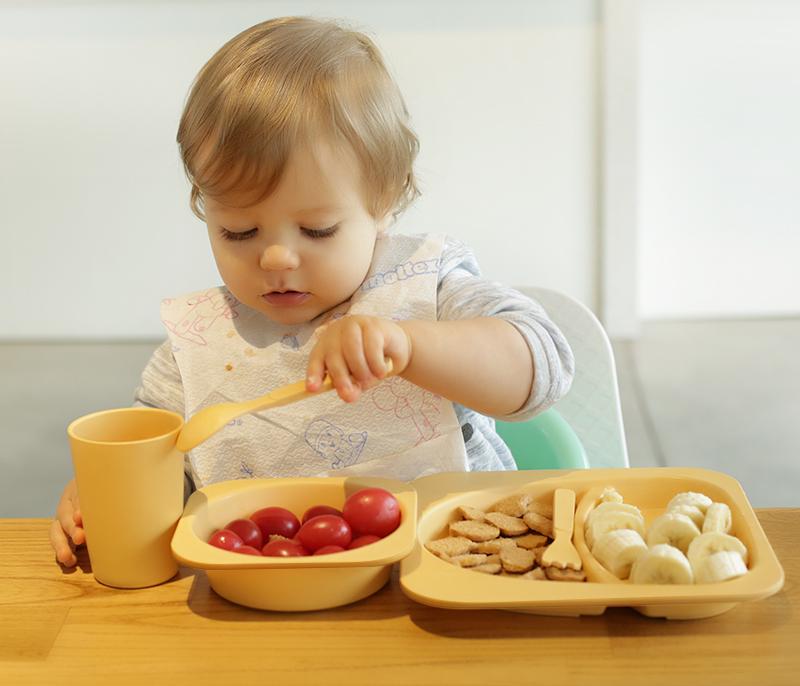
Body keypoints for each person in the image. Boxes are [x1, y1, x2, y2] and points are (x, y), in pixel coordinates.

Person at [50, 16, 574, 567]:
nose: (275, 257)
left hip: (448, 576)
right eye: (239, 232)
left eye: (317, 230)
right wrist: (97, 498)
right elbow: (153, 476)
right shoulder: (193, 352)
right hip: (266, 597)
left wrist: (410, 346)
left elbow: (544, 368)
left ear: (384, 202)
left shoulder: (429, 287)